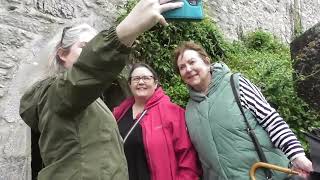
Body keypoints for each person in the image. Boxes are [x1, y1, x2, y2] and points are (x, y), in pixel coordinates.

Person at [19, 0, 184, 179]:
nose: (91, 51)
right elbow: (81, 76)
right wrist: (126, 30)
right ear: (62, 54)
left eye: (93, 46)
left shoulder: (90, 100)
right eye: (85, 47)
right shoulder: (53, 93)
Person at [172, 41, 313, 180]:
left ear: (207, 62)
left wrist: (297, 156)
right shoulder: (189, 110)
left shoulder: (236, 84)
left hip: (264, 175)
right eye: (182, 67)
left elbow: (271, 120)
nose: (188, 69)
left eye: (192, 62)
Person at [113, 63, 201, 180]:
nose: (141, 82)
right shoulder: (119, 113)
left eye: (146, 78)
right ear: (129, 84)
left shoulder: (173, 113)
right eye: (136, 79)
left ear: (155, 83)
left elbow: (188, 159)